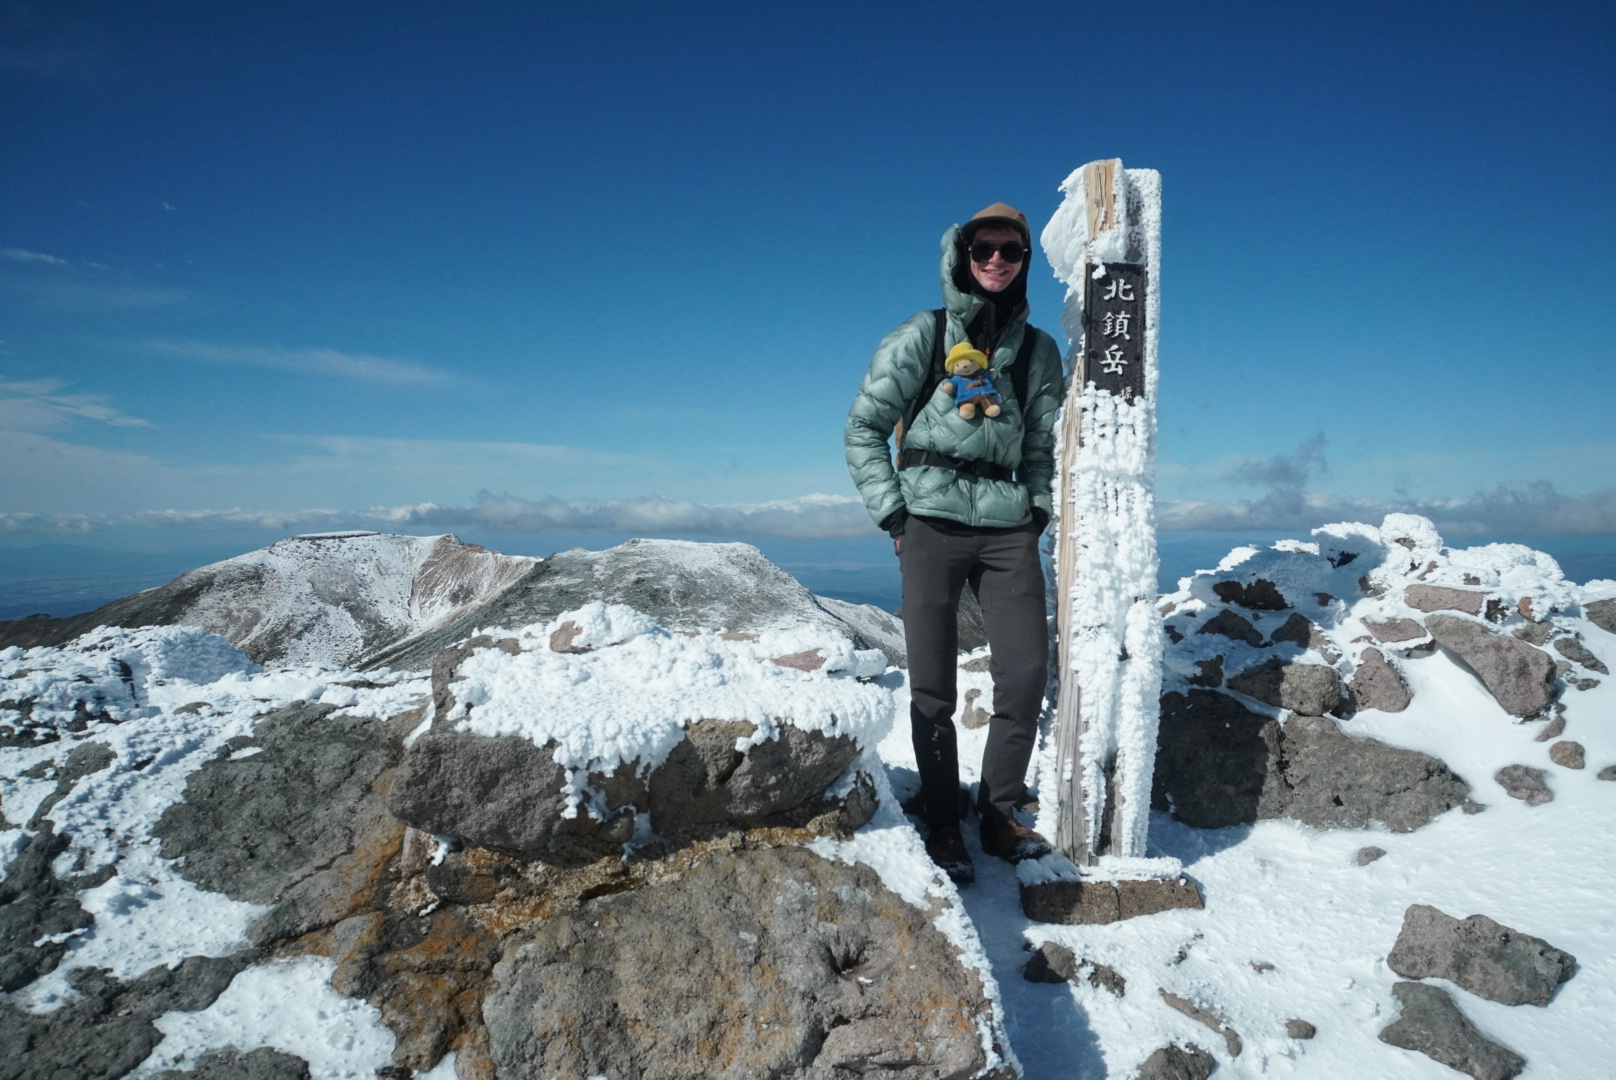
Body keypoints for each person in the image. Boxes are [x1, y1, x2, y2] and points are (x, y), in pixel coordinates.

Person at [845, 203, 1064, 884]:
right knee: (933, 684)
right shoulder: (926, 334)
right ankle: (944, 820)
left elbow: (1042, 449)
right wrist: (895, 517)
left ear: (1026, 261)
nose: (996, 260)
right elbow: (863, 429)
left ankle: (997, 813)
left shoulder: (1037, 351)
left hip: (1006, 529)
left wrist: (1035, 513)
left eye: (1011, 251)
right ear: (960, 256)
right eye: (982, 248)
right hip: (931, 523)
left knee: (1026, 671)